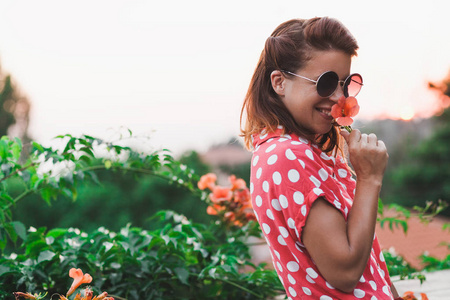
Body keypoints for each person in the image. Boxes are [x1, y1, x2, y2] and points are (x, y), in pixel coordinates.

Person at [240, 17, 401, 299]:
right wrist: (370, 178)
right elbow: (346, 273)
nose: (339, 97)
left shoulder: (303, 151)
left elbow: (367, 266)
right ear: (279, 82)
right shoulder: (288, 157)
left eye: (345, 84)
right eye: (326, 83)